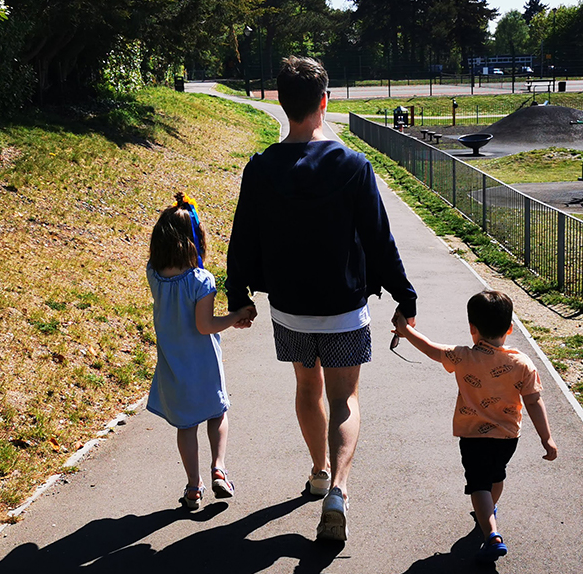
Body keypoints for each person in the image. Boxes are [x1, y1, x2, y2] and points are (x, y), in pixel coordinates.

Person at [225, 56, 417, 542]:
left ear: (281, 103)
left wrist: (238, 293)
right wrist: (404, 295)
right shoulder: (352, 165)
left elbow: (242, 236)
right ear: (324, 102)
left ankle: (318, 472)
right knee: (345, 398)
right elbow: (378, 238)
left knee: (307, 390)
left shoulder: (262, 167)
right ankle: (340, 492)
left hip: (289, 307)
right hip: (344, 307)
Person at [393, 290, 557, 564]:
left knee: (477, 483)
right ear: (510, 328)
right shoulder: (522, 363)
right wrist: (547, 438)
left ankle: (491, 534)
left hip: (472, 435)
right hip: (507, 437)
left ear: (472, 329)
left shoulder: (462, 356)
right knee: (496, 475)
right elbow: (534, 401)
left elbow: (431, 348)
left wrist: (406, 331)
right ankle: (490, 509)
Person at [147, 192, 255, 510]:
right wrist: (235, 317)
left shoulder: (153, 275)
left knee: (186, 426)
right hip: (204, 363)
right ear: (195, 241)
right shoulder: (201, 281)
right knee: (217, 412)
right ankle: (219, 468)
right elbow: (205, 325)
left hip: (172, 365)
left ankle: (194, 487)